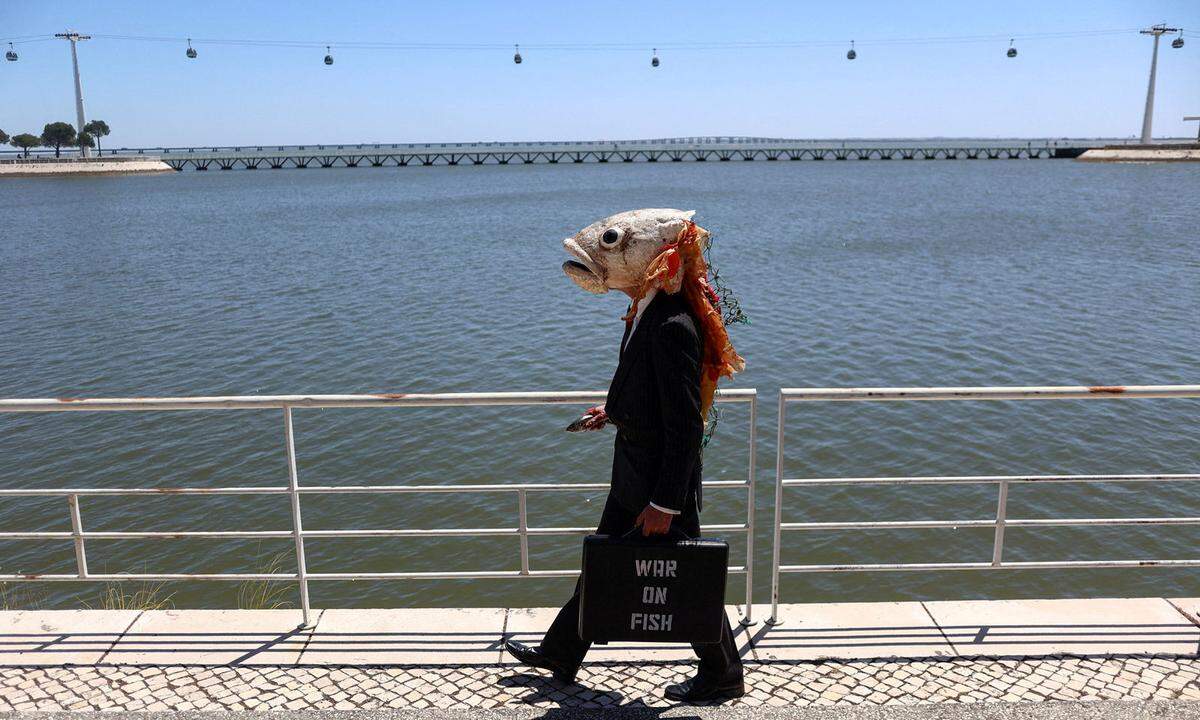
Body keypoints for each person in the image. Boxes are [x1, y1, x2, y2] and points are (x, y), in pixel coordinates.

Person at [504, 209, 746, 702]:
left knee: (687, 578)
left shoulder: (671, 323)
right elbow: (652, 397)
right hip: (634, 469)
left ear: (655, 256)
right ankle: (561, 652)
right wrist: (613, 411)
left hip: (659, 481)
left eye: (616, 243)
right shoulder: (647, 311)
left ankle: (723, 673)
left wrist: (665, 503)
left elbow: (684, 426)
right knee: (602, 561)